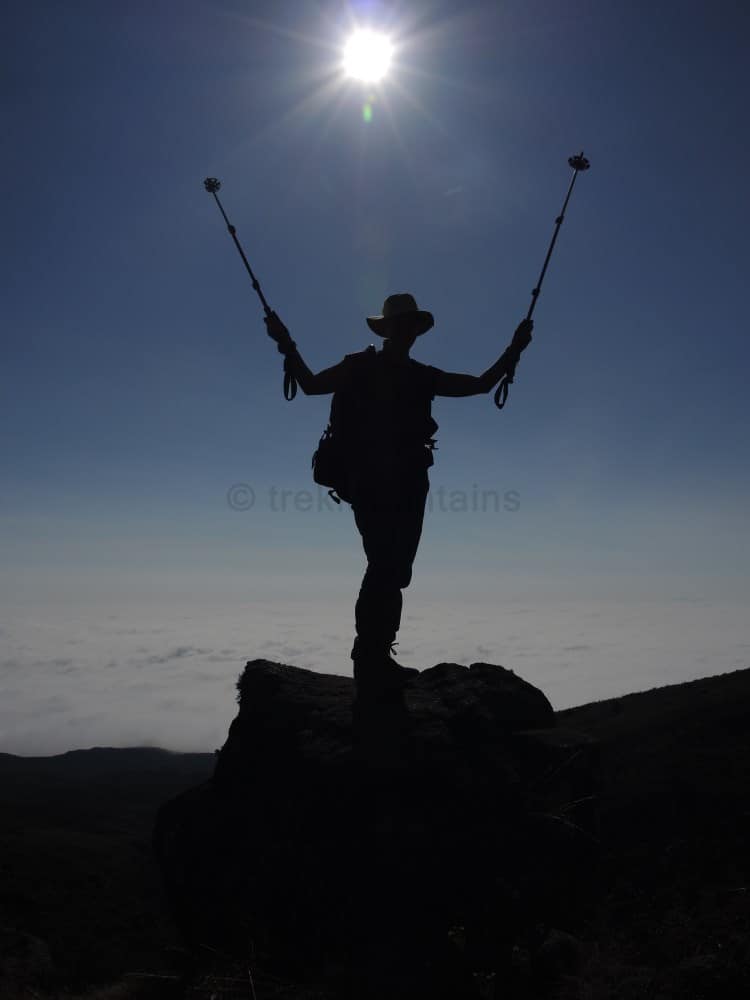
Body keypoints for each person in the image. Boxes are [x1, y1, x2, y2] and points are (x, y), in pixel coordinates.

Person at [264, 293, 532, 697]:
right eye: (401, 323)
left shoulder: (421, 375)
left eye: (411, 324)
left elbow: (479, 385)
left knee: (396, 569)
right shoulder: (360, 365)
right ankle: (369, 658)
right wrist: (285, 343)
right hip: (370, 480)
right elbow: (311, 385)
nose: (406, 330)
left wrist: (514, 350)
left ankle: (376, 654)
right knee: (384, 564)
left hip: (409, 481)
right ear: (387, 328)